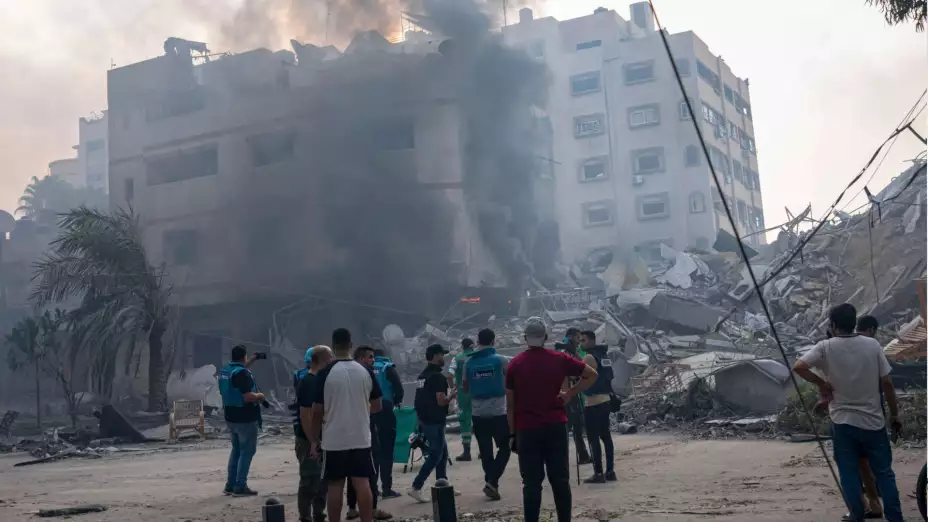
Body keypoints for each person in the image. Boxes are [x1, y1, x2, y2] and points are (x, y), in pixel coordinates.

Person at [794, 304, 903, 522]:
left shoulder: (825, 347)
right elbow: (888, 384)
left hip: (843, 424)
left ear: (833, 325)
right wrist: (894, 415)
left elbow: (798, 366)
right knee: (884, 474)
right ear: (854, 322)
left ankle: (857, 515)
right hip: (873, 422)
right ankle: (895, 518)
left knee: (849, 474)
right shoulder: (872, 345)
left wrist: (822, 384)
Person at [506, 322, 597, 522]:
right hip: (555, 426)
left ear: (525, 338)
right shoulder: (560, 359)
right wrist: (570, 394)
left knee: (531, 484)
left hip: (527, 430)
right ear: (545, 337)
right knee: (560, 481)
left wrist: (512, 435)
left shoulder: (515, 364)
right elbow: (591, 374)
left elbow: (510, 405)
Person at [309, 329, 383, 522]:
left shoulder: (325, 373)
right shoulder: (365, 371)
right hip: (360, 436)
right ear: (351, 346)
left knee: (335, 486)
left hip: (334, 439)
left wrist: (314, 439)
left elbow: (316, 410)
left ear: (333, 347)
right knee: (362, 483)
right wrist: (359, 410)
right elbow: (377, 405)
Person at [463, 328, 511, 501]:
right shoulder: (500, 360)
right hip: (499, 412)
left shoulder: (469, 363)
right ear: (493, 341)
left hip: (477, 413)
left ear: (478, 341)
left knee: (485, 450)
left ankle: (492, 482)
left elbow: (465, 387)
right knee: (505, 446)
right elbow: (512, 381)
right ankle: (492, 481)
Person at [345, 346, 393, 521]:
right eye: (370, 357)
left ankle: (351, 508)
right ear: (361, 358)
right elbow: (377, 405)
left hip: (346, 429)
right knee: (371, 469)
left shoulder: (343, 373)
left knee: (351, 470)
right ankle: (372, 509)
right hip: (365, 428)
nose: (373, 361)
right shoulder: (366, 374)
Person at [408, 344, 456, 503]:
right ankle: (416, 486)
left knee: (442, 453)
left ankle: (442, 484)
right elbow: (441, 401)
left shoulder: (422, 376)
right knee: (436, 454)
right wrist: (452, 396)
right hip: (434, 420)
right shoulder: (437, 377)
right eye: (442, 355)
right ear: (436, 356)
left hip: (424, 419)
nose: (444, 358)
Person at [218, 344, 265, 497]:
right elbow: (247, 396)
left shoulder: (227, 371)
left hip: (230, 417)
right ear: (243, 356)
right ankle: (240, 486)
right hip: (245, 418)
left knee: (237, 450)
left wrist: (253, 359)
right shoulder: (242, 374)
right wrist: (260, 396)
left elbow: (240, 373)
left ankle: (230, 485)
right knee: (247, 452)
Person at [297, 345, 332, 522]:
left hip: (320, 438)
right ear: (323, 360)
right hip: (307, 439)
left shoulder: (319, 380)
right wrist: (312, 440)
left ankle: (319, 514)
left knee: (322, 480)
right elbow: (305, 414)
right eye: (330, 357)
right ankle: (305, 516)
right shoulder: (309, 382)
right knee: (309, 479)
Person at [579, 331, 616, 484]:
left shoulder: (588, 357)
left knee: (593, 439)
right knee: (606, 436)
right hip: (606, 400)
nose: (582, 343)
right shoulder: (604, 356)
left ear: (592, 340)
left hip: (592, 402)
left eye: (584, 340)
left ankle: (598, 473)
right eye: (580, 340)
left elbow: (580, 375)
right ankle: (610, 471)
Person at [554, 328, 592, 465]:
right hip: (567, 393)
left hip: (570, 391)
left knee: (576, 426)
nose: (579, 342)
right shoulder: (563, 351)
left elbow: (581, 364)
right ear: (571, 337)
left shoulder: (569, 349)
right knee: (570, 426)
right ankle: (563, 457)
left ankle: (582, 455)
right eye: (578, 338)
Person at [371, 348, 404, 499]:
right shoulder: (388, 367)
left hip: (368, 411)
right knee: (387, 451)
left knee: (372, 452)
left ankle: (372, 489)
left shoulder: (367, 368)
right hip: (385, 409)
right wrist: (395, 402)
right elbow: (399, 389)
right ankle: (386, 489)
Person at [448, 338, 475, 461]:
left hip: (462, 393)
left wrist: (452, 388)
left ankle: (467, 452)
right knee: (478, 419)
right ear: (472, 346)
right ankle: (483, 451)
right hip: (476, 392)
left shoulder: (457, 358)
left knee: (464, 421)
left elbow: (449, 374)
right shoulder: (476, 357)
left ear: (462, 347)